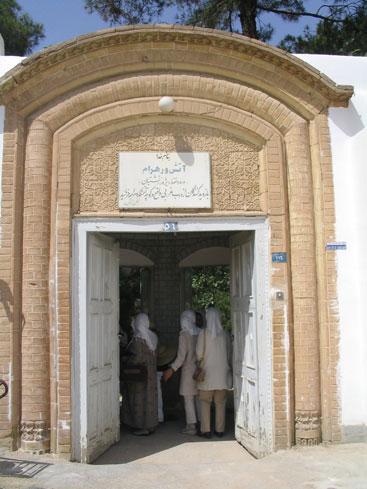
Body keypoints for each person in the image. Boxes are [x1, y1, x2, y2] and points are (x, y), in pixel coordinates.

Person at [196, 307, 232, 438]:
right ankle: (219, 430)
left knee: (205, 402)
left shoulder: (203, 334)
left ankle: (206, 430)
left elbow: (199, 354)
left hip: (207, 374)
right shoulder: (225, 334)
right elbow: (229, 354)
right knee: (220, 403)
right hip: (222, 375)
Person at [163, 309, 201, 435]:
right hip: (199, 369)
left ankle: (191, 426)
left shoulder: (184, 335)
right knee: (198, 397)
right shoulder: (200, 332)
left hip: (188, 370)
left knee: (188, 398)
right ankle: (201, 423)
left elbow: (181, 357)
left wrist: (172, 369)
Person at [121, 312, 159, 436]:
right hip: (151, 375)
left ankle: (141, 427)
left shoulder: (138, 340)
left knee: (138, 400)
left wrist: (124, 360)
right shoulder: (152, 337)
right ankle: (151, 425)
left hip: (139, 376)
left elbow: (136, 358)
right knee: (150, 400)